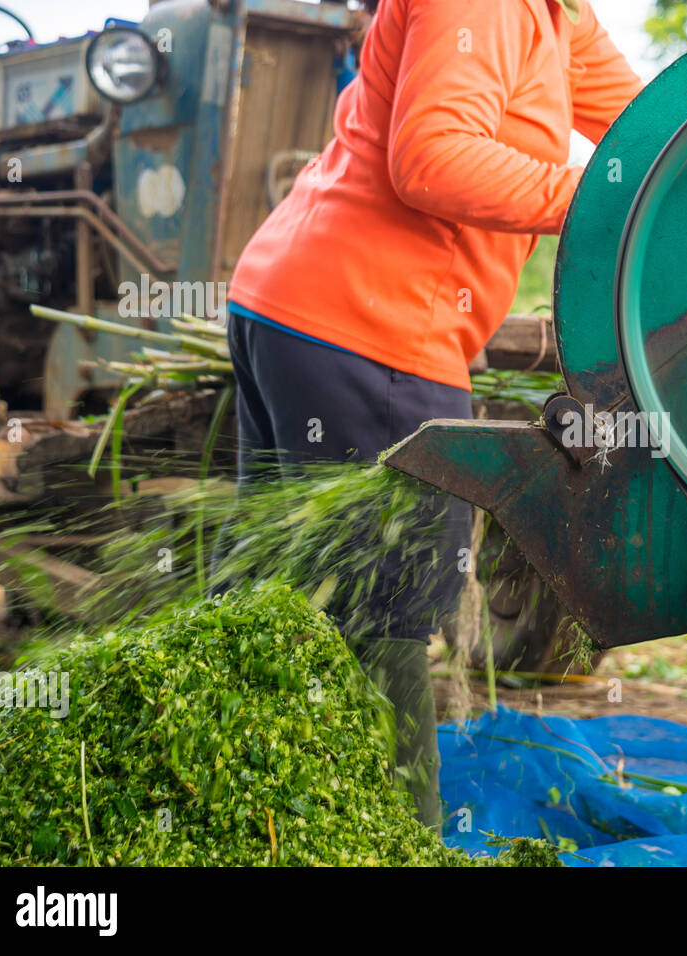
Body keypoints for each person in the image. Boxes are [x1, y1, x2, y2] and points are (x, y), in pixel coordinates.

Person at [224, 0, 642, 828]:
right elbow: (434, 159)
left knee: (278, 585)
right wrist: (604, 205)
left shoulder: (557, 16)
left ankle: (245, 804)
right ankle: (393, 834)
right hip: (367, 322)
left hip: (295, 304)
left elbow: (656, 130)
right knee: (387, 609)